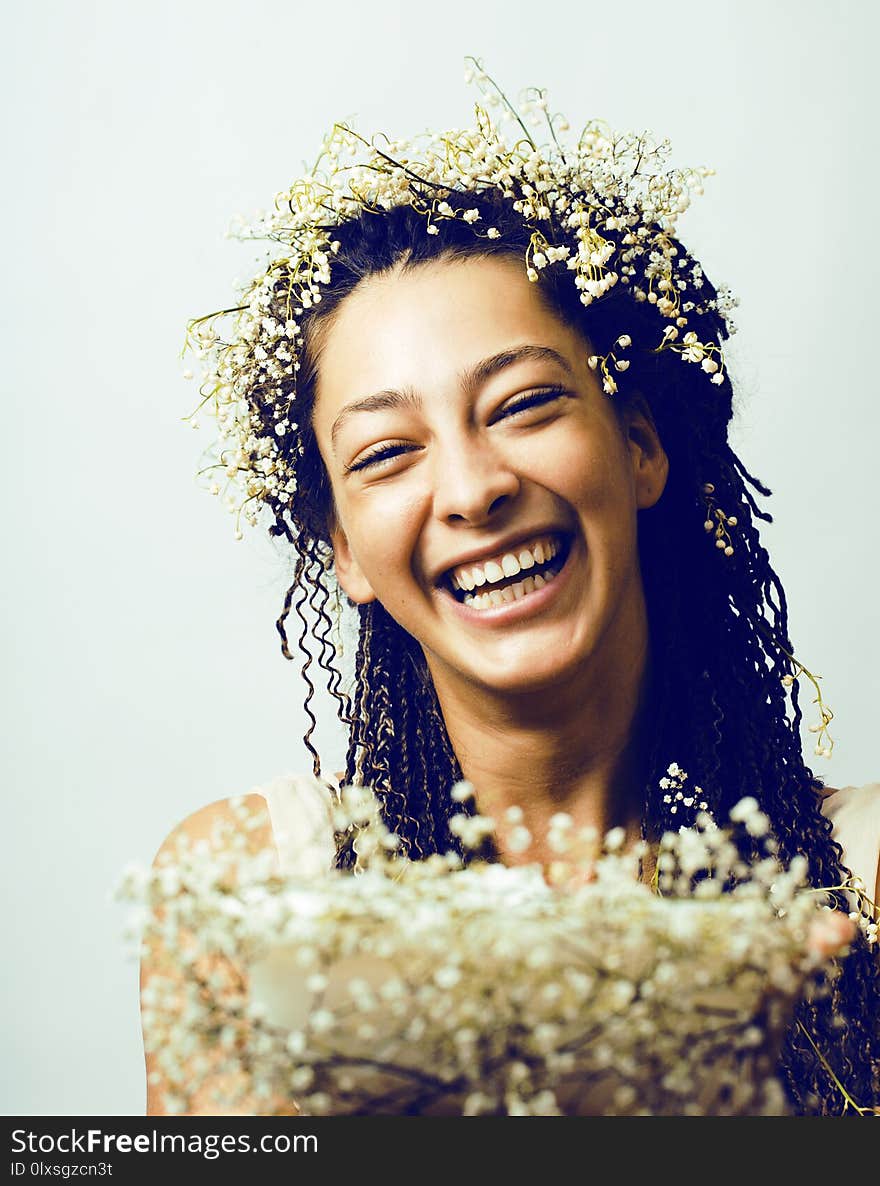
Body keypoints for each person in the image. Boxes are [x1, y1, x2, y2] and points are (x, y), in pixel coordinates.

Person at [141, 60, 880, 1117]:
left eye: (524, 403)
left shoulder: (861, 893)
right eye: (387, 452)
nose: (473, 488)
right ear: (344, 549)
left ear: (637, 448)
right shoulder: (247, 898)